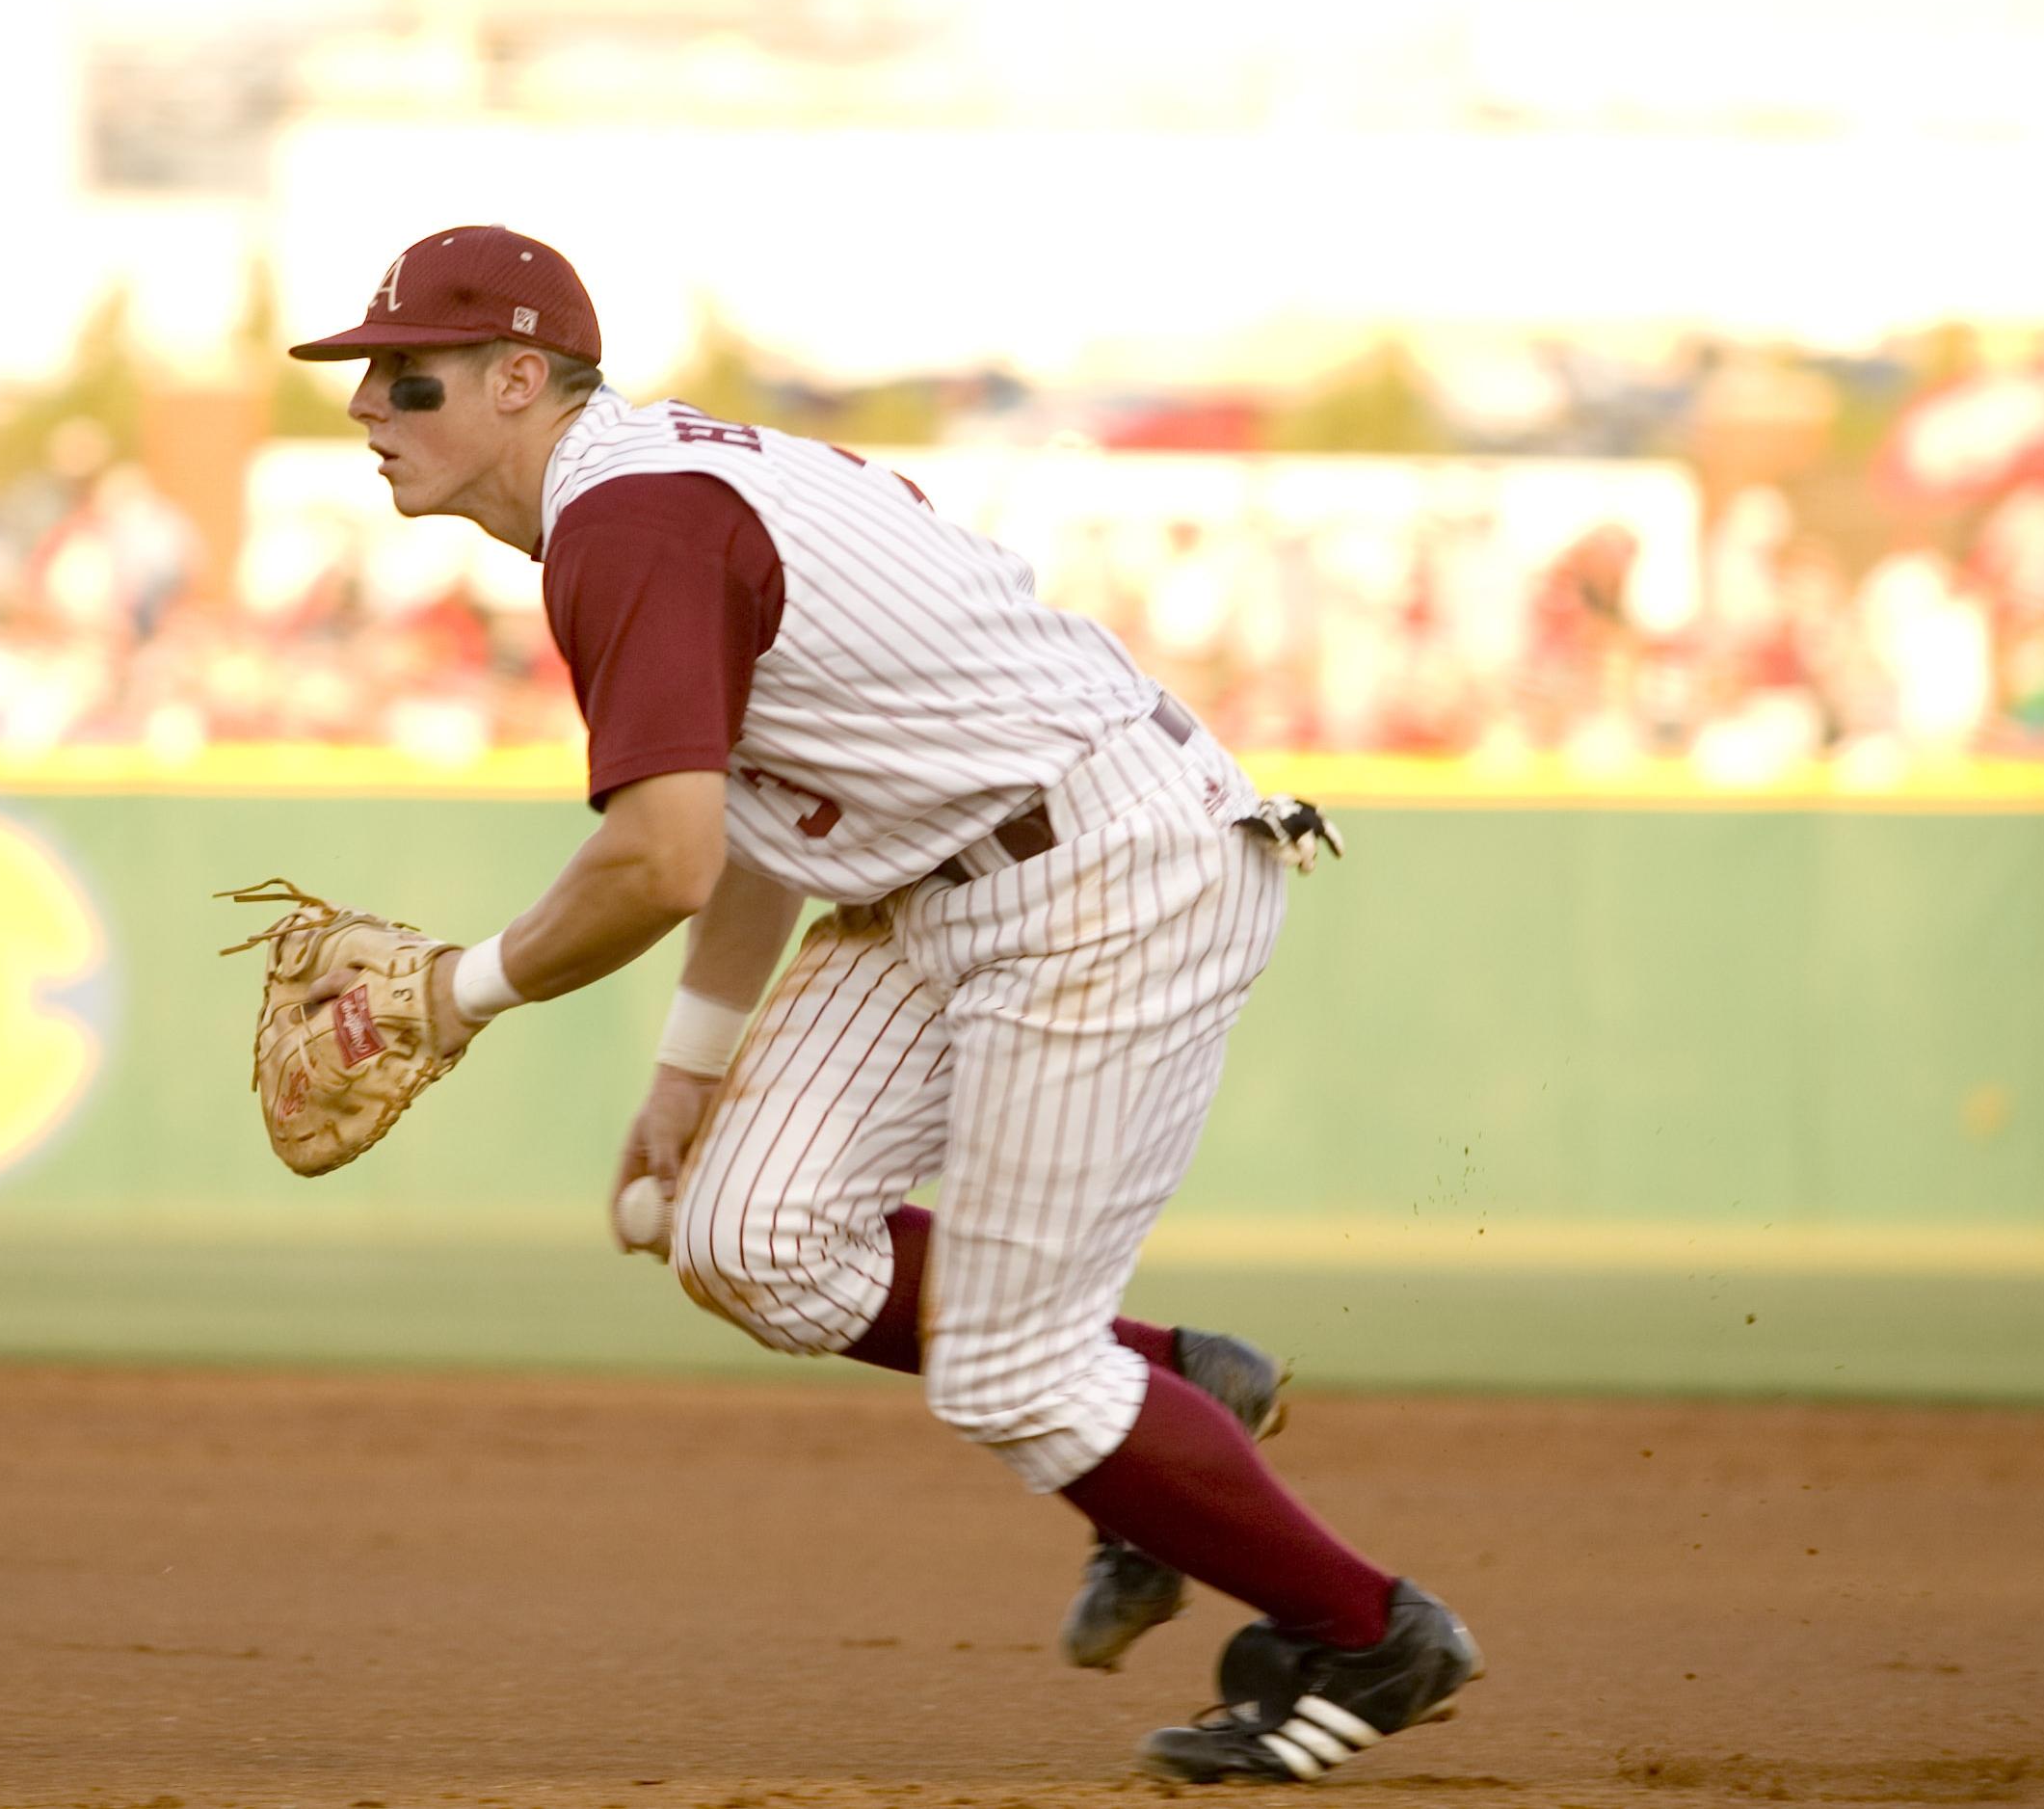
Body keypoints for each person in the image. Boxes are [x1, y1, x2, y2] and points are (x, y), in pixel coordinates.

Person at [285, 226, 1481, 1785]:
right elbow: (760, 823)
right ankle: (1174, 1385)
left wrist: (456, 996)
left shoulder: (628, 521)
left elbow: (660, 856)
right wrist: (691, 1070)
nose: (371, 405)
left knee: (1009, 1369)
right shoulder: (645, 494)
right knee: (747, 1238)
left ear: (521, 379)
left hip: (1106, 869)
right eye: (367, 375)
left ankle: (1367, 1632)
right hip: (947, 871)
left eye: (409, 374)